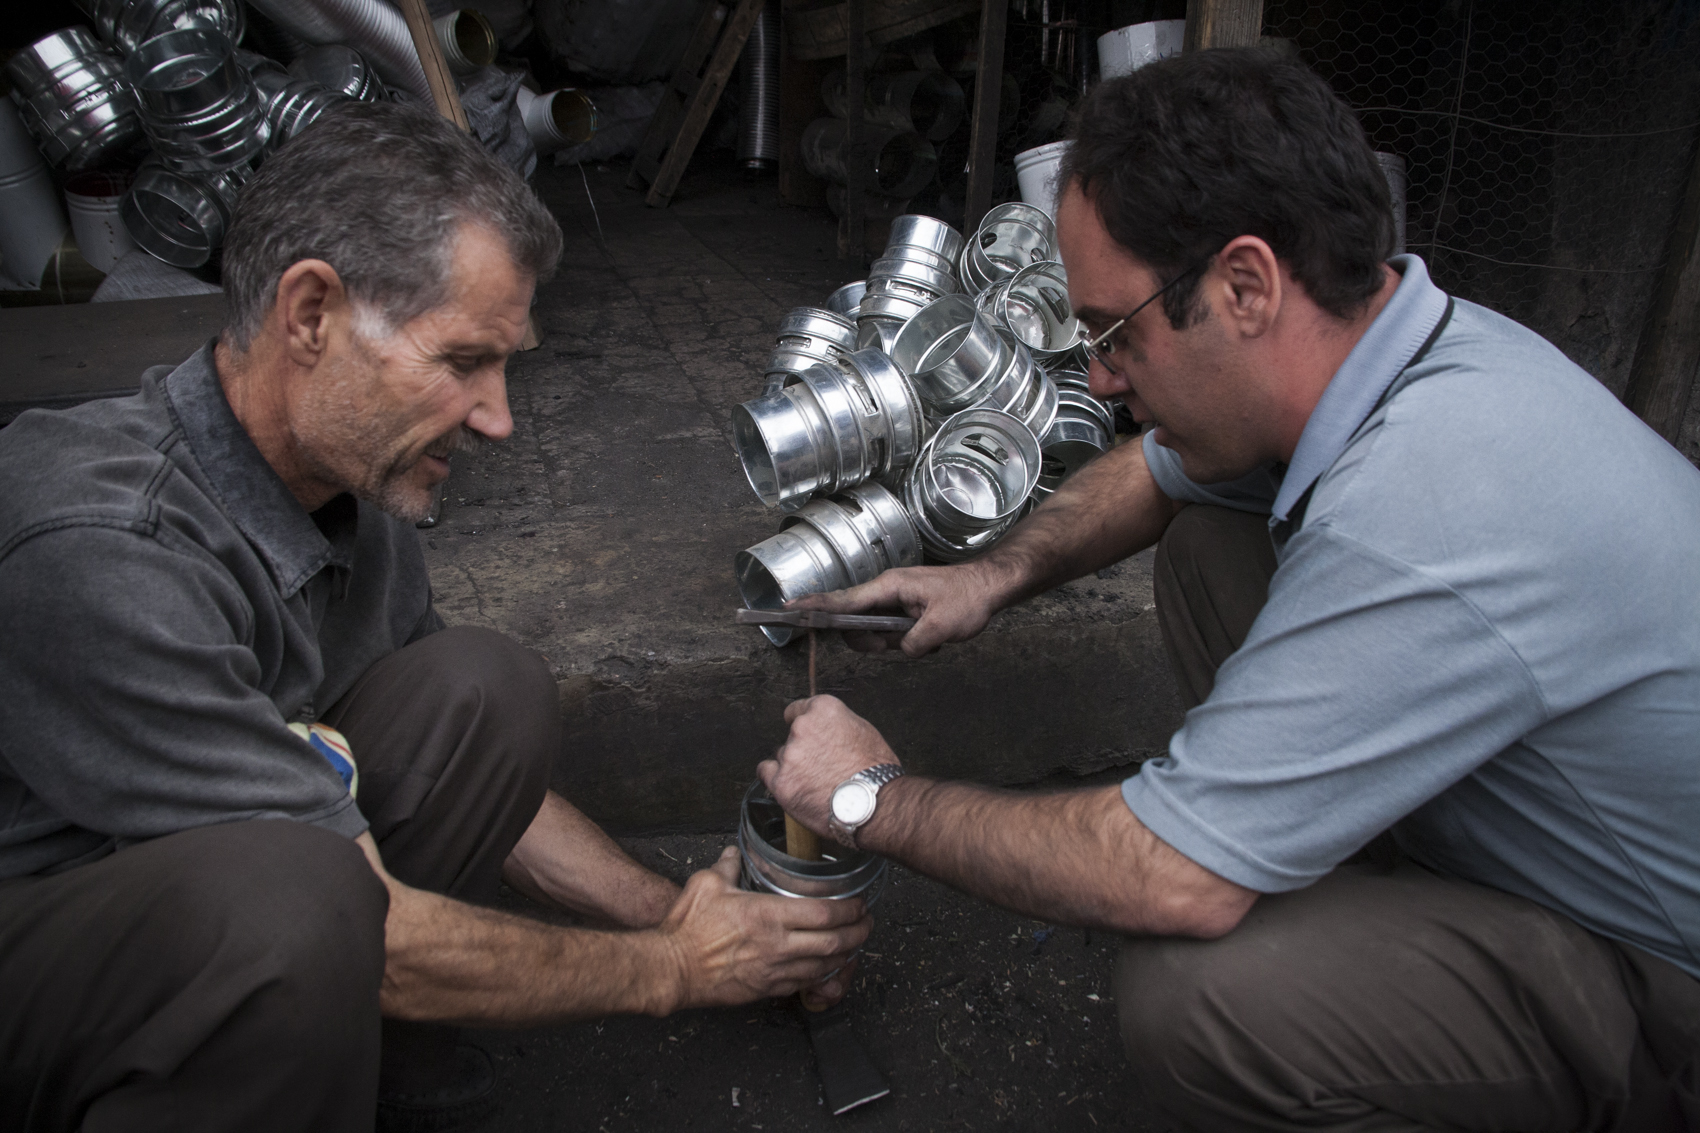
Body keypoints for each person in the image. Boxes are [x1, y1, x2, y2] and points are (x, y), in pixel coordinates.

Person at [761, 48, 1700, 1132]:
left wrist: (869, 795)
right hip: (1571, 851)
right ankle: (1337, 863)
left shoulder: (1427, 504)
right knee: (1213, 538)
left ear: (1244, 285)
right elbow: (1158, 473)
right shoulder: (1408, 349)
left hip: (1662, 969)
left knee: (1204, 997)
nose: (1101, 378)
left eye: (1115, 334)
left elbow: (1169, 876)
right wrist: (987, 574)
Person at [0, 101, 868, 1133]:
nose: (500, 418)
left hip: (230, 888)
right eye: (462, 362)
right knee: (300, 903)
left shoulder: (351, 493)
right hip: (47, 950)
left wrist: (677, 910)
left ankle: (365, 1066)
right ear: (311, 314)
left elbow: (444, 769)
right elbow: (360, 922)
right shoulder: (102, 548)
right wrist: (672, 967)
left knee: (481, 688)